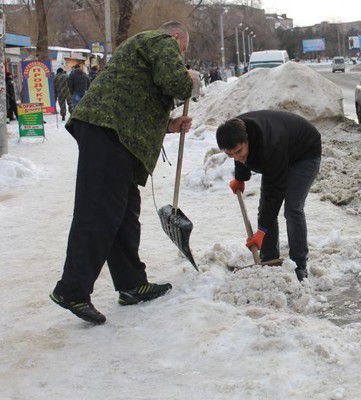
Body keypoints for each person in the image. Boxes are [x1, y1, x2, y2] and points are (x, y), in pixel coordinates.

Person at [50, 21, 201, 325]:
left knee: (123, 212)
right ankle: (72, 289)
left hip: (117, 135)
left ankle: (131, 283)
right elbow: (175, 83)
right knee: (98, 211)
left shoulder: (143, 50)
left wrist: (169, 125)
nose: (179, 55)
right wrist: (191, 80)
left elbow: (141, 98)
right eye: (182, 51)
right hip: (109, 132)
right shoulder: (162, 39)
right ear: (177, 39)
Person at [216, 110, 321, 282]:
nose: (237, 157)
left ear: (247, 139)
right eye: (230, 154)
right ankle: (269, 259)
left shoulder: (270, 144)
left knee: (292, 208)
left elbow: (275, 191)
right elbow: (240, 155)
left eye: (239, 151)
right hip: (283, 149)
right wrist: (240, 178)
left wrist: (261, 231)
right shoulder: (236, 131)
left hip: (305, 152)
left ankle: (299, 265)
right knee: (265, 209)